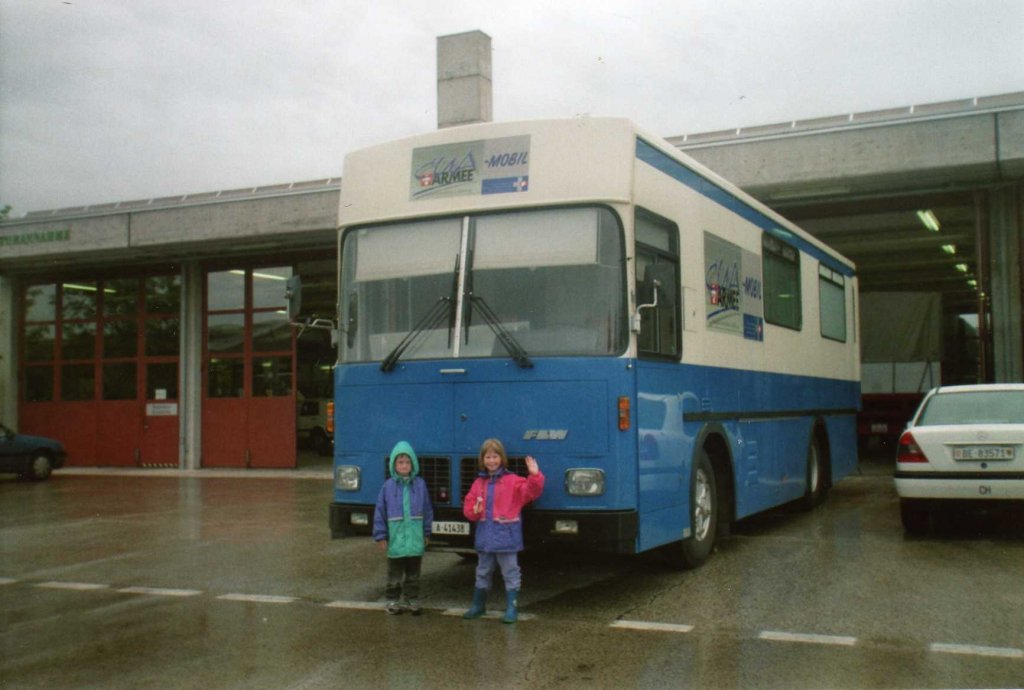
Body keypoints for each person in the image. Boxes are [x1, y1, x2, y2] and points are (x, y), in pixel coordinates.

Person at [461, 438, 544, 624]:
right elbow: (469, 508)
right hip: (485, 539)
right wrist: (473, 511)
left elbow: (531, 492)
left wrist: (535, 475)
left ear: (502, 458)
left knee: (510, 572)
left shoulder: (513, 481)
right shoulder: (478, 483)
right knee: (482, 571)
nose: (491, 461)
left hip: (507, 539)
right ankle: (478, 605)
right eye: (488, 457)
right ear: (482, 460)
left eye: (495, 456)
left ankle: (512, 608)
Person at [373, 441, 433, 615]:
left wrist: (426, 532)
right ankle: (392, 600)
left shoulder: (420, 485)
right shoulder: (388, 486)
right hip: (396, 540)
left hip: (415, 540)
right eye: (400, 462)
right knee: (394, 576)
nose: (404, 465)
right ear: (394, 465)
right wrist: (380, 535)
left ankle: (411, 599)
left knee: (414, 574)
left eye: (407, 462)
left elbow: (427, 510)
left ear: (413, 464)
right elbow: (380, 511)